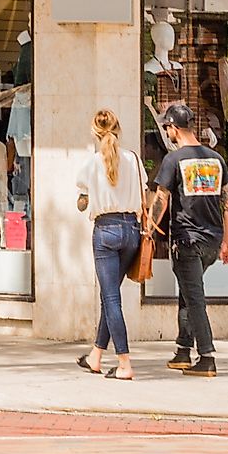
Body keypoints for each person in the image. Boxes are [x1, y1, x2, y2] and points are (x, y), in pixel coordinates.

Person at [145, 101, 228, 377]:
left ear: (173, 127)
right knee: (187, 291)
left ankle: (206, 356)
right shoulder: (216, 159)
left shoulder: (174, 160)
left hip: (187, 239)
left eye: (167, 127)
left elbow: (161, 198)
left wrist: (149, 228)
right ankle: (183, 350)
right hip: (212, 239)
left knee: (194, 298)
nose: (167, 132)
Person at [76, 108, 144, 379]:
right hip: (131, 230)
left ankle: (124, 362)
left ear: (95, 133)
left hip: (105, 230)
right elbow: (144, 192)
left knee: (111, 298)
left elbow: (82, 200)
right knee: (111, 296)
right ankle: (96, 355)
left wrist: (85, 200)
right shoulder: (134, 159)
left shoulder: (92, 163)